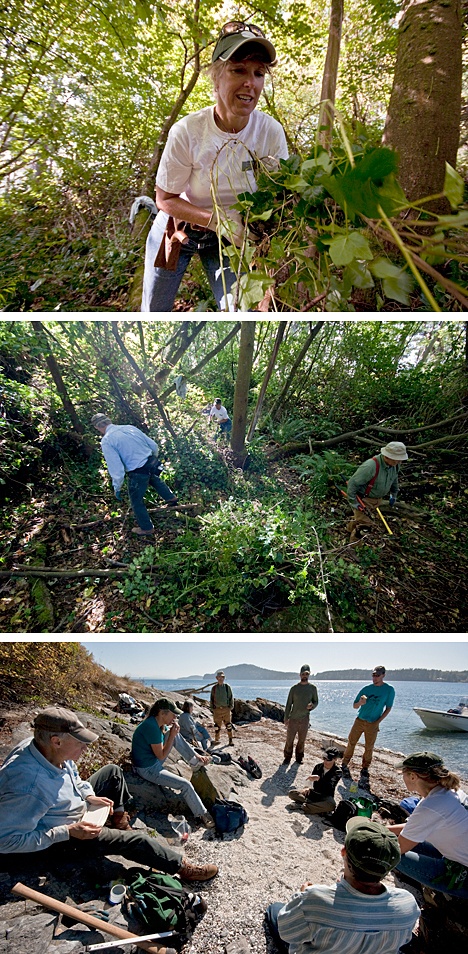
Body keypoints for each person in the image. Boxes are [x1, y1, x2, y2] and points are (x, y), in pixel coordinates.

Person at [141, 21, 288, 312]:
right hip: (179, 228)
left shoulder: (269, 133)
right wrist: (219, 222)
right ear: (217, 79)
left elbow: (279, 195)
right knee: (155, 308)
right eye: (239, 70)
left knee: (239, 310)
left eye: (258, 74)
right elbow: (165, 199)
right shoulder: (189, 132)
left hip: (234, 239)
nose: (250, 82)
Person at [0, 706, 217, 883]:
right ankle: (183, 867)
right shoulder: (28, 786)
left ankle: (118, 819)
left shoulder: (42, 747)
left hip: (74, 808)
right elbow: (6, 841)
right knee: (138, 841)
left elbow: (73, 775)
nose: (84, 749)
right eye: (80, 743)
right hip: (66, 837)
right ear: (56, 741)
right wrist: (67, 831)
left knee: (112, 772)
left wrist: (87, 795)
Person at [265, 817, 419, 954]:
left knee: (275, 910)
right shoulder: (408, 904)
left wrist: (303, 895)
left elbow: (286, 932)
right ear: (390, 866)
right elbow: (404, 941)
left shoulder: (314, 899)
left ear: (343, 852)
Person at [388, 752, 468, 899]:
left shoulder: (430, 806)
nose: (402, 777)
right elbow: (412, 828)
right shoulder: (448, 792)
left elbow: (399, 849)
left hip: (462, 875)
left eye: (403, 773)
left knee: (390, 856)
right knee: (406, 840)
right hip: (456, 856)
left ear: (413, 776)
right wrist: (383, 830)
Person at [131, 698, 215, 828]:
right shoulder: (151, 727)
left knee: (173, 733)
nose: (175, 717)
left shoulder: (158, 723)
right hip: (147, 768)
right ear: (162, 713)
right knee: (185, 785)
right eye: (173, 714)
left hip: (152, 760)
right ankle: (202, 814)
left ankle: (194, 761)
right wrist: (172, 735)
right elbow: (162, 755)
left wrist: (174, 735)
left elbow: (164, 747)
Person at [91, 413, 177, 536]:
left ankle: (147, 528)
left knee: (136, 500)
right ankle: (170, 497)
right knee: (153, 478)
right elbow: (153, 446)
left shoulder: (107, 440)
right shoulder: (129, 427)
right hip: (150, 463)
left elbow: (116, 468)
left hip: (137, 472)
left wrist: (117, 487)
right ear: (109, 420)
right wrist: (151, 459)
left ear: (97, 427)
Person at [341, 665, 395, 788]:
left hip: (373, 722)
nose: (375, 678)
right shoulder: (366, 688)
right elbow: (355, 706)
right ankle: (344, 763)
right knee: (351, 742)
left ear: (383, 675)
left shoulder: (389, 690)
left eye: (377, 675)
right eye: (373, 675)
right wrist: (360, 702)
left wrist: (378, 721)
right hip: (360, 720)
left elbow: (388, 708)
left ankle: (365, 768)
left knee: (369, 746)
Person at [346, 441, 408, 541]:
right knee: (365, 526)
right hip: (364, 499)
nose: (399, 462)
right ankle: (354, 547)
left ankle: (348, 530)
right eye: (397, 459)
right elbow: (352, 483)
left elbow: (394, 479)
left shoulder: (395, 465)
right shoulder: (370, 466)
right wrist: (354, 502)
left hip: (377, 500)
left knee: (360, 519)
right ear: (388, 457)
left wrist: (393, 494)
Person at [288, 748, 342, 816]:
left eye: (328, 760)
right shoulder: (318, 766)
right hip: (313, 793)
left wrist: (319, 779)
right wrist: (306, 788)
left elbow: (330, 786)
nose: (325, 761)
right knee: (292, 793)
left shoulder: (338, 772)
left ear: (335, 759)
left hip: (325, 796)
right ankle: (316, 808)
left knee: (332, 805)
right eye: (324, 759)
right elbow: (310, 781)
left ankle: (302, 806)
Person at [283, 666, 318, 765]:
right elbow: (289, 704)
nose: (305, 676)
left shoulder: (312, 688)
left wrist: (312, 706)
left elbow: (316, 701)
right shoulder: (294, 689)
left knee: (302, 740)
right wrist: (286, 718)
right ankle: (287, 757)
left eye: (307, 674)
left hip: (305, 718)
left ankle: (299, 758)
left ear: (309, 674)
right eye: (303, 674)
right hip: (293, 718)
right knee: (289, 739)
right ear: (300, 675)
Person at [210, 671, 234, 746]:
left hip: (226, 709)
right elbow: (211, 699)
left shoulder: (227, 687)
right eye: (219, 677)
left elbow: (231, 697)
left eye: (222, 677)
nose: (221, 679)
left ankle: (230, 740)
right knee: (217, 726)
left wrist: (230, 707)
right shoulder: (214, 688)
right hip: (217, 710)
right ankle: (216, 740)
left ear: (224, 678)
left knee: (229, 726)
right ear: (217, 678)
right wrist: (212, 708)